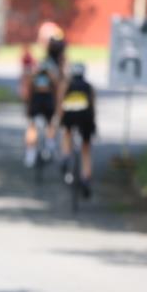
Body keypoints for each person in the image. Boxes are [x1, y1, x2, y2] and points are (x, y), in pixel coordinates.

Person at [24, 35, 66, 168]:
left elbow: (30, 82)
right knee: (50, 122)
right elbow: (59, 85)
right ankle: (49, 145)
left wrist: (28, 101)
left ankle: (31, 153)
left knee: (32, 124)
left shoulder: (43, 64)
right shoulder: (59, 64)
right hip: (48, 97)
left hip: (37, 97)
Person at [58, 62, 96, 197]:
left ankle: (65, 157)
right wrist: (93, 124)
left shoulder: (66, 85)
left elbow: (61, 102)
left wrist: (59, 119)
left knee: (67, 134)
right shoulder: (88, 86)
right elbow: (92, 106)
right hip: (85, 117)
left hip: (69, 115)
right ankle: (86, 178)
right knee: (86, 149)